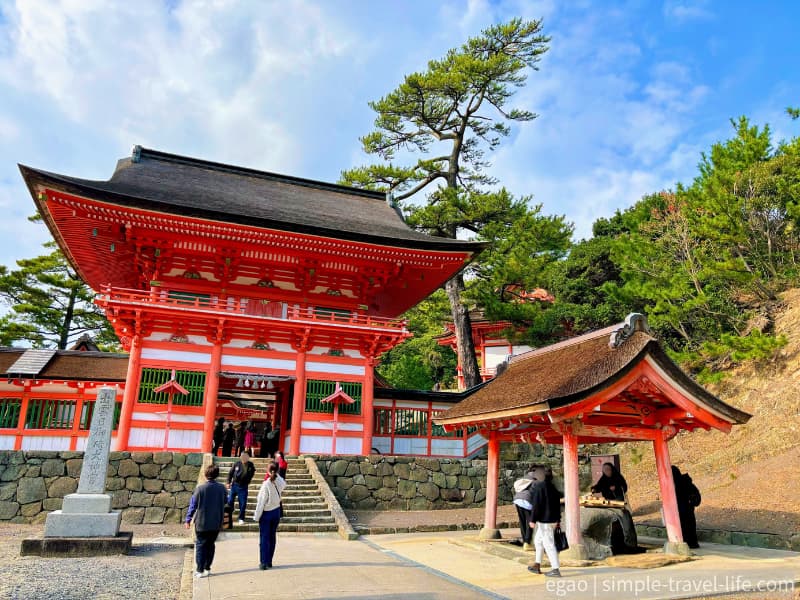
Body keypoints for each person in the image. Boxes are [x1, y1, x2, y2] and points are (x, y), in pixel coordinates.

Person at [185, 464, 227, 578]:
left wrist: (188, 519)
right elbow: (225, 501)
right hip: (216, 522)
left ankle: (200, 569)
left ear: (205, 474)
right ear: (217, 475)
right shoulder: (222, 488)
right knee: (210, 545)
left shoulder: (200, 489)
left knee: (200, 545)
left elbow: (193, 506)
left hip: (202, 522)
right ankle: (207, 568)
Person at [527, 466, 563, 578]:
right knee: (538, 541)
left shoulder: (539, 487)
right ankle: (537, 564)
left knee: (548, 544)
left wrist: (532, 519)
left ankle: (555, 569)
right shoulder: (553, 487)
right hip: (551, 519)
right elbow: (558, 505)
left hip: (545, 521)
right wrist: (558, 519)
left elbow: (536, 505)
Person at [253, 461, 286, 570]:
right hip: (276, 511)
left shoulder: (266, 484)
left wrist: (256, 516)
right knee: (272, 537)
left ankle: (263, 562)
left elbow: (261, 502)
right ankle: (269, 561)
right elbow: (283, 482)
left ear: (268, 470)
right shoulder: (280, 482)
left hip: (267, 513)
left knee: (264, 537)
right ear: (277, 470)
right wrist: (277, 474)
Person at [672, 465, 701, 549]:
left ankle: (690, 543)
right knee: (687, 528)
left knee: (687, 527)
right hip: (683, 511)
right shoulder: (682, 482)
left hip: (686, 511)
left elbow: (696, 496)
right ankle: (690, 543)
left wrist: (691, 503)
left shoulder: (684, 483)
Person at [227, 451, 256, 525]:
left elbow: (252, 472)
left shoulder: (250, 465)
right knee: (230, 501)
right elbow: (230, 473)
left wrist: (249, 479)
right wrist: (228, 482)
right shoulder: (237, 464)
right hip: (234, 485)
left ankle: (241, 518)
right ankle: (229, 514)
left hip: (243, 487)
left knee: (243, 503)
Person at [513, 471, 537, 551]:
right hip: (526, 502)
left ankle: (524, 541)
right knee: (531, 522)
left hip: (517, 501)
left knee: (522, 521)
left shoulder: (524, 479)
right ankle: (527, 543)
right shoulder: (534, 481)